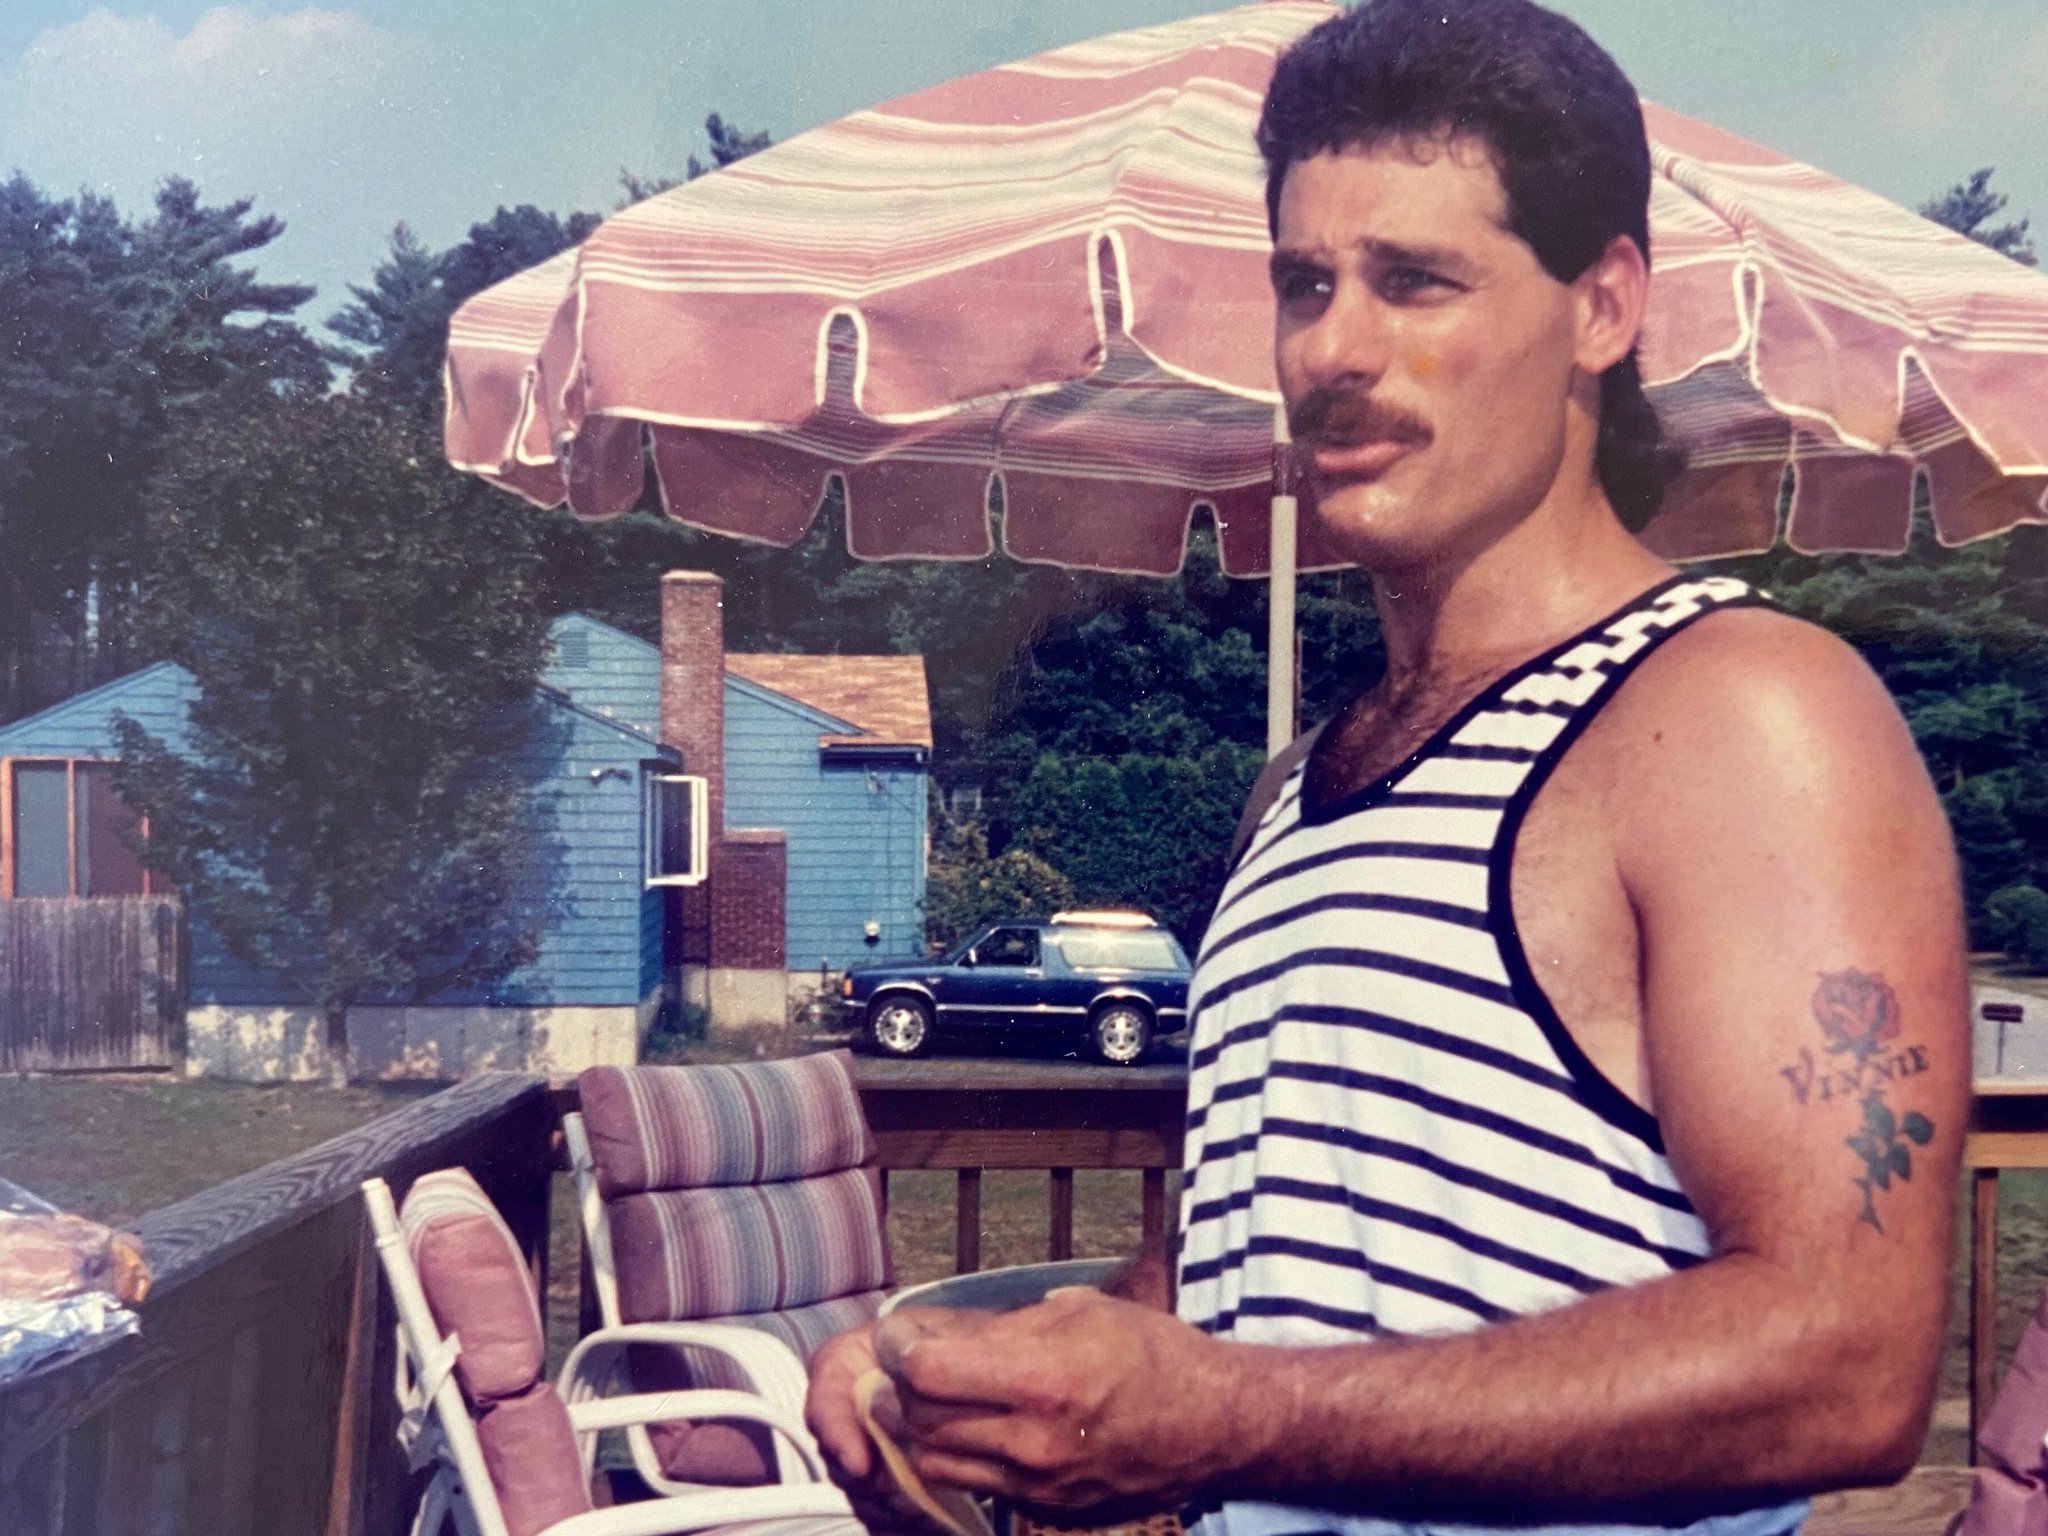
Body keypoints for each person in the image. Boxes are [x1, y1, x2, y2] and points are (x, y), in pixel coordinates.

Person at [805, 2, 1969, 1532]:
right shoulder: (1295, 789)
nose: (1333, 351)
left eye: (1415, 281)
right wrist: (975, 1392)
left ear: (1603, 305)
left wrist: (1228, 1421)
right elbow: (1260, 1271)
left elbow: (1850, 1359)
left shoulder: (1740, 717)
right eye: (1305, 284)